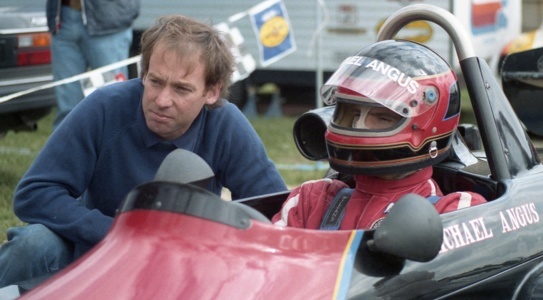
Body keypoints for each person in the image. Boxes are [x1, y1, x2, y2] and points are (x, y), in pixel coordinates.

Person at [0, 15, 287, 291]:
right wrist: (118, 233)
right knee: (33, 244)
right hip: (93, 253)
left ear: (212, 92)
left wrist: (211, 246)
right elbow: (34, 193)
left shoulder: (226, 124)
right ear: (143, 73)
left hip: (183, 264)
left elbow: (275, 212)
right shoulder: (103, 108)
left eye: (181, 89)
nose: (162, 100)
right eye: (155, 81)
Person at [272, 39, 486, 230]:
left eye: (383, 117)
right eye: (352, 113)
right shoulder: (310, 200)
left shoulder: (454, 212)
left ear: (424, 127)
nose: (358, 125)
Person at [46, 0, 141, 128]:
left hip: (108, 20)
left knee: (113, 107)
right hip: (63, 18)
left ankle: (114, 148)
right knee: (67, 111)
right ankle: (67, 147)